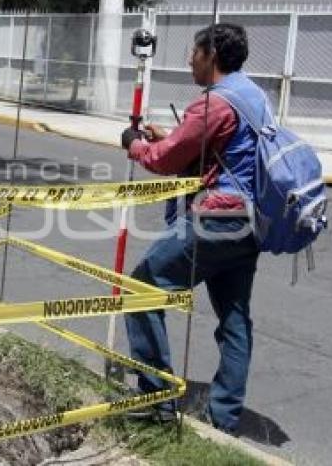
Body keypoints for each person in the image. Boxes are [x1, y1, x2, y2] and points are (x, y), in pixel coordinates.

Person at [120, 23, 263, 435]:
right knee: (235, 320)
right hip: (250, 222)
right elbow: (222, 151)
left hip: (215, 220)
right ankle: (225, 418)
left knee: (141, 291)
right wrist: (175, 137)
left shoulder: (215, 103)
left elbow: (164, 159)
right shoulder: (252, 95)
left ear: (211, 56)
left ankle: (156, 400)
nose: (189, 59)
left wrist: (133, 142)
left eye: (194, 52)